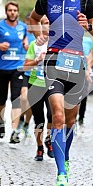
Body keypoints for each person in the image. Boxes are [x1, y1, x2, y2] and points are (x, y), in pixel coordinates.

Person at [29, 0, 93, 186]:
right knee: (58, 117)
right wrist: (39, 34)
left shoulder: (85, 0)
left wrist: (88, 26)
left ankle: (66, 159)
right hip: (53, 60)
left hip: (76, 63)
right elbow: (31, 19)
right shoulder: (44, 0)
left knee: (70, 121)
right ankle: (61, 174)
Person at [0, 1, 28, 143]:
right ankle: (2, 121)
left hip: (18, 68)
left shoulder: (23, 27)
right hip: (2, 68)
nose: (12, 12)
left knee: (16, 99)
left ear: (18, 12)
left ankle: (14, 131)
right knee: (2, 98)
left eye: (15, 10)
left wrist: (26, 44)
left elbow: (25, 39)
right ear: (6, 12)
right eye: (10, 10)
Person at [24, 15, 54, 161]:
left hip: (52, 85)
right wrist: (37, 60)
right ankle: (40, 148)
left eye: (50, 23)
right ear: (41, 26)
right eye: (46, 23)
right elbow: (25, 65)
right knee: (39, 120)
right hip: (35, 84)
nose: (48, 26)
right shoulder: (34, 44)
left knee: (52, 116)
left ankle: (48, 139)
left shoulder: (58, 43)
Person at [78, 34, 93, 127]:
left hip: (85, 71)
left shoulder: (89, 40)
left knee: (84, 95)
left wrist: (89, 67)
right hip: (73, 70)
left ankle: (81, 118)